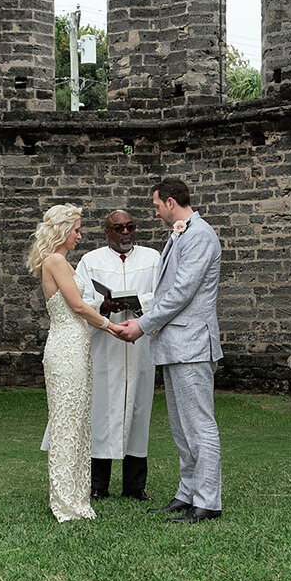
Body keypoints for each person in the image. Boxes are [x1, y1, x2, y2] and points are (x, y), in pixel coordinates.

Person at [114, 177, 224, 522]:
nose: (156, 210)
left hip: (192, 343)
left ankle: (208, 500)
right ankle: (187, 493)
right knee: (181, 426)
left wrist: (142, 325)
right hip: (177, 344)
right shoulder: (180, 233)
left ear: (172, 203)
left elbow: (181, 292)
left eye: (157, 205)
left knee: (199, 424)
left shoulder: (200, 235)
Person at [27, 204, 120, 523]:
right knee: (67, 423)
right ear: (62, 230)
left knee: (77, 422)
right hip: (66, 348)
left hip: (75, 346)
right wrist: (112, 327)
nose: (80, 235)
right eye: (76, 229)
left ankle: (76, 494)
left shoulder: (58, 261)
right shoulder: (55, 260)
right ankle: (65, 500)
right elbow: (78, 306)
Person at [76, 208, 161, 501]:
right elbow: (80, 300)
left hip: (139, 345)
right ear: (107, 232)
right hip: (105, 346)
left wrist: (140, 305)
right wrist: (104, 305)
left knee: (138, 411)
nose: (125, 233)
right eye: (118, 228)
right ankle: (98, 485)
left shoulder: (152, 258)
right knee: (101, 412)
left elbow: (163, 295)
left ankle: (135, 486)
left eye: (130, 227)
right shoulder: (90, 261)